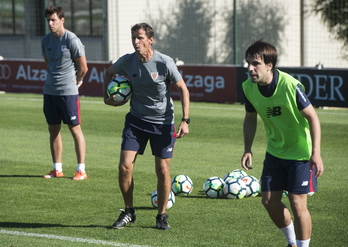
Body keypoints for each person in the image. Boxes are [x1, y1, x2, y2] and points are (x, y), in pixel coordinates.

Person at [103, 23, 190, 230]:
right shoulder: (127, 61)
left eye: (140, 38)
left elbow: (183, 90)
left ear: (150, 40)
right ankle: (128, 211)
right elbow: (108, 73)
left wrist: (185, 120)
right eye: (134, 37)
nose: (136, 42)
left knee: (162, 170)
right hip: (136, 120)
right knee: (124, 166)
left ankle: (161, 216)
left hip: (163, 123)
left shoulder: (164, 63)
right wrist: (107, 97)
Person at [240, 40, 324, 247]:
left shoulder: (290, 85)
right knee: (268, 201)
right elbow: (250, 117)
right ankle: (291, 243)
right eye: (248, 63)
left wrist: (316, 153)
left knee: (297, 204)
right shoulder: (248, 87)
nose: (250, 68)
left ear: (269, 65)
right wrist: (247, 149)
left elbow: (313, 118)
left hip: (300, 154)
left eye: (255, 63)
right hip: (275, 152)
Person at [41, 6, 88, 180]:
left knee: (75, 129)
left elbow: (83, 67)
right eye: (48, 20)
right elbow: (49, 63)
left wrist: (76, 81)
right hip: (50, 91)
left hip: (68, 92)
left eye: (53, 20)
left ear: (62, 20)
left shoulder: (72, 40)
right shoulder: (45, 41)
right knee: (53, 129)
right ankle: (57, 169)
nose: (50, 24)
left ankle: (81, 170)